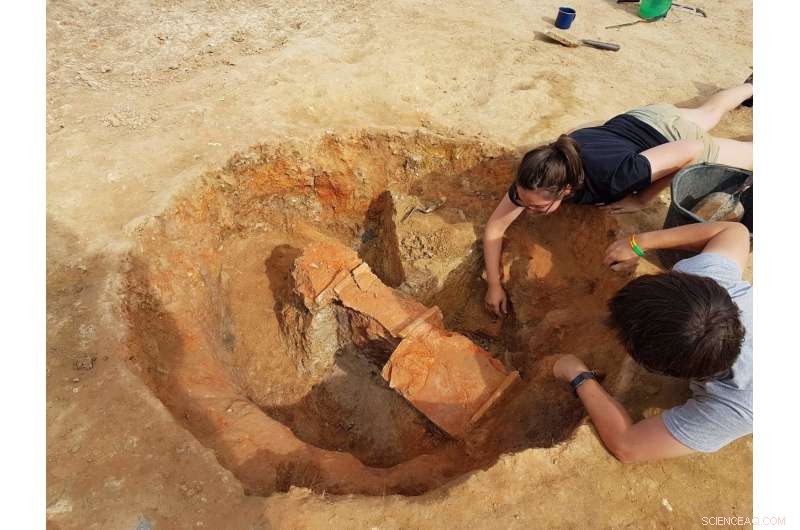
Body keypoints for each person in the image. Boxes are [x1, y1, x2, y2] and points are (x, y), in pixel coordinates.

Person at [483, 79, 753, 317]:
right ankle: (752, 86)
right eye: (523, 202)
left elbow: (690, 150)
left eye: (537, 206)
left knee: (748, 153)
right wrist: (494, 284)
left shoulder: (616, 177)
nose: (527, 210)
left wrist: (642, 199)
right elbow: (496, 227)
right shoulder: (541, 174)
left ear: (565, 190)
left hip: (669, 137)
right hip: (640, 119)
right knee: (708, 112)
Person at [551, 221, 752, 462]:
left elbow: (627, 446)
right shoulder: (711, 284)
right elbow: (734, 231)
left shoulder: (740, 405)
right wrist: (636, 243)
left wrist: (578, 375)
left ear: (659, 369)